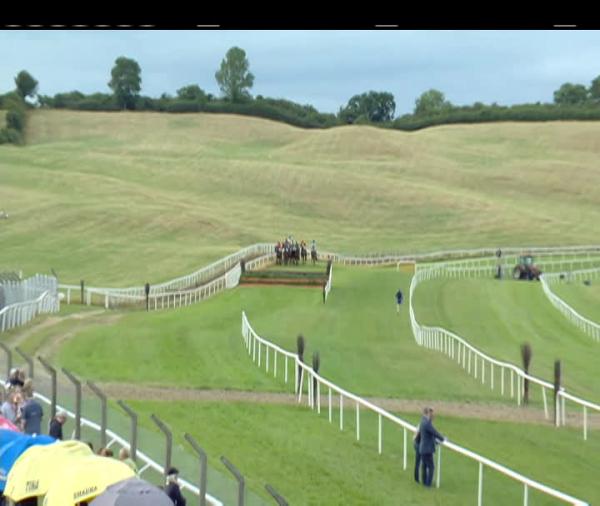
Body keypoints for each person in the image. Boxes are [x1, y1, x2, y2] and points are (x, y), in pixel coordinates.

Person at [418, 407, 445, 487]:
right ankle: (428, 484)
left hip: (423, 448)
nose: (432, 415)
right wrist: (443, 439)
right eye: (431, 413)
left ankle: (424, 482)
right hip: (427, 449)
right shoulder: (426, 423)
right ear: (428, 413)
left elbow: (429, 434)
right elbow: (434, 432)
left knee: (424, 466)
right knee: (431, 467)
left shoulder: (422, 421)